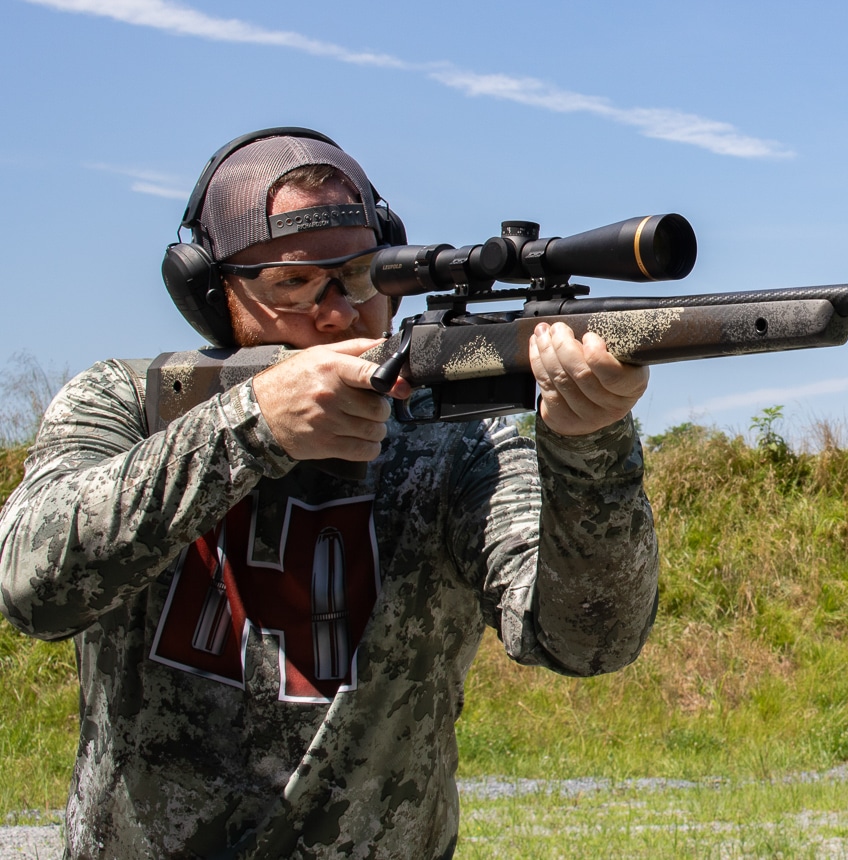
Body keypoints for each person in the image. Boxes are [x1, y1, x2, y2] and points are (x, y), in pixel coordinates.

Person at [0, 128, 660, 858]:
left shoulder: (457, 438)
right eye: (294, 284)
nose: (340, 312)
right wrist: (251, 426)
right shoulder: (125, 402)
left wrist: (590, 448)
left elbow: (589, 640)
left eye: (362, 277)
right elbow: (32, 587)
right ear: (212, 294)